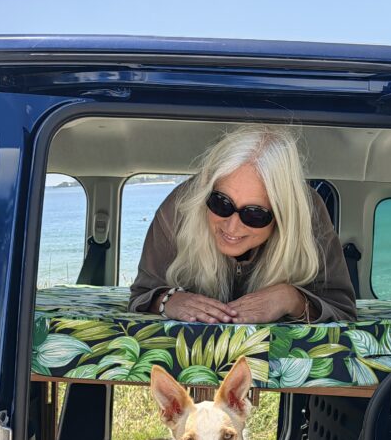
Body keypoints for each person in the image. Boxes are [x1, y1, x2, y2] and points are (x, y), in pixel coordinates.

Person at [128, 124, 358, 323]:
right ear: (206, 191)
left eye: (254, 214)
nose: (232, 226)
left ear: (282, 215)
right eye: (221, 203)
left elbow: (343, 309)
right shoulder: (180, 208)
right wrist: (168, 300)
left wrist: (291, 299)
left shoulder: (309, 215)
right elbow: (141, 293)